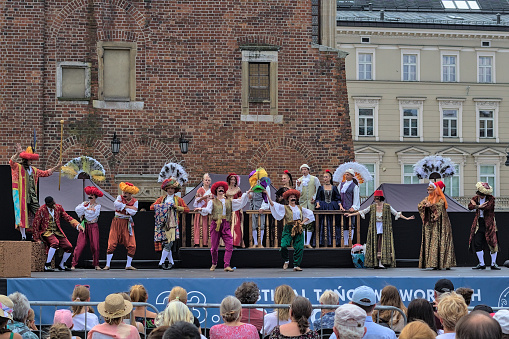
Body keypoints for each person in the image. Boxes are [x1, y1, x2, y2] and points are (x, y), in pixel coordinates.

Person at [347, 190, 414, 268]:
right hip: (374, 227)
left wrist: (407, 218)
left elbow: (396, 213)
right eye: (375, 198)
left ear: (380, 198)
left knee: (382, 243)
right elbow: (363, 211)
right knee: (375, 243)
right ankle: (374, 262)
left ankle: (381, 262)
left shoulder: (387, 206)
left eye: (377, 198)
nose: (375, 199)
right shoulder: (372, 207)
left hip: (384, 227)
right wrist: (351, 215)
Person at [195, 181, 250, 272]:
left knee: (229, 245)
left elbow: (240, 202)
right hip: (215, 224)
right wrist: (201, 209)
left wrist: (246, 194)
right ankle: (214, 263)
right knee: (214, 248)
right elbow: (208, 210)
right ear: (216, 191)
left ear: (224, 191)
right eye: (219, 189)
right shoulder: (212, 202)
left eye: (222, 189)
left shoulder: (229, 202)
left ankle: (227, 265)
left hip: (225, 224)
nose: (221, 190)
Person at [9, 142, 61, 240]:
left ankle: (35, 234)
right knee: (22, 215)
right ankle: (23, 236)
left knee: (38, 214)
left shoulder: (34, 170)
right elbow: (11, 162)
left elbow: (45, 173)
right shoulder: (18, 167)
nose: (31, 162)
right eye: (30, 160)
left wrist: (56, 167)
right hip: (21, 195)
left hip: (32, 196)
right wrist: (18, 153)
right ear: (25, 160)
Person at [266, 189, 315, 271]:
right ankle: (286, 260)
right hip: (289, 227)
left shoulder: (300, 208)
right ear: (288, 199)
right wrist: (267, 194)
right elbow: (273, 204)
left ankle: (296, 265)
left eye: (294, 197)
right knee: (283, 245)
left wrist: (302, 223)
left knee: (299, 247)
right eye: (291, 197)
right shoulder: (285, 207)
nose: (293, 199)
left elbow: (310, 213)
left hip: (298, 227)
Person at [150, 178, 190, 270]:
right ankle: (171, 262)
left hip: (173, 224)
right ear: (166, 189)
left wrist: (176, 207)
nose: (170, 190)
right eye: (169, 188)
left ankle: (161, 262)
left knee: (169, 243)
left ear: (175, 190)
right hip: (163, 224)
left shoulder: (178, 199)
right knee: (166, 244)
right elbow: (152, 207)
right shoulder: (162, 199)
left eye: (172, 188)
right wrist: (162, 206)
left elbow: (186, 209)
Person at [32, 196, 80, 272]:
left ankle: (62, 264)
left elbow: (67, 217)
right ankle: (47, 264)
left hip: (57, 232)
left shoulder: (58, 207)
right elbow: (36, 224)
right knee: (55, 243)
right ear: (47, 204)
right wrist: (36, 238)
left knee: (69, 247)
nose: (54, 205)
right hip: (47, 231)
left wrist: (77, 225)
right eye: (51, 204)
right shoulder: (41, 210)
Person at [418, 181, 456, 270]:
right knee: (432, 242)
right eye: (428, 188)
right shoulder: (427, 198)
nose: (428, 189)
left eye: (430, 188)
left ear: (435, 189)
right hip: (431, 225)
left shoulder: (441, 199)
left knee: (442, 240)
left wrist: (431, 206)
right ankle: (433, 263)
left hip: (441, 224)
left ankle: (445, 263)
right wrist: (425, 206)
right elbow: (420, 205)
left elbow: (439, 207)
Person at [104, 182, 139, 270]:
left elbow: (133, 212)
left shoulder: (135, 201)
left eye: (126, 193)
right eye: (123, 192)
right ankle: (107, 264)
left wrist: (123, 207)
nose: (124, 194)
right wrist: (127, 207)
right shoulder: (119, 197)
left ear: (130, 193)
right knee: (112, 242)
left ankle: (128, 265)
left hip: (127, 223)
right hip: (117, 222)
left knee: (132, 245)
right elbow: (116, 205)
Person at [468, 182, 499, 270]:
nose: (480, 196)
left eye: (482, 195)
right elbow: (470, 207)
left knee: (492, 242)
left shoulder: (491, 199)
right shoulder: (475, 198)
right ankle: (482, 263)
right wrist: (477, 206)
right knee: (477, 242)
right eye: (479, 195)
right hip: (479, 222)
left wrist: (476, 206)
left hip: (489, 223)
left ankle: (493, 263)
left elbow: (487, 207)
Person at [72, 186, 103, 270]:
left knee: (95, 246)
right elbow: (77, 210)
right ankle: (73, 264)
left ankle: (96, 264)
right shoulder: (85, 203)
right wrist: (87, 208)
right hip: (84, 226)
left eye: (92, 195)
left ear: (95, 197)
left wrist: (85, 210)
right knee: (80, 245)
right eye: (89, 194)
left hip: (93, 226)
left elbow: (91, 215)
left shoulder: (98, 206)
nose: (90, 196)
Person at [315, 170, 341, 247]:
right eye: (324, 177)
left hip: (332, 206)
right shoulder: (321, 188)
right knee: (323, 223)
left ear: (330, 178)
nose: (325, 178)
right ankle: (322, 242)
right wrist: (318, 204)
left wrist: (340, 206)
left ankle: (334, 241)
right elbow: (318, 198)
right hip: (323, 206)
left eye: (326, 177)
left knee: (332, 222)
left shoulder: (334, 188)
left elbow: (338, 198)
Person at [296, 164, 320, 248]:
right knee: (303, 222)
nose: (304, 171)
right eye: (302, 169)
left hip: (311, 203)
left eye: (305, 169)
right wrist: (299, 186)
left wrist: (314, 198)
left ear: (308, 170)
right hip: (302, 203)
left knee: (310, 222)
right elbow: (298, 193)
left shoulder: (314, 179)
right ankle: (303, 242)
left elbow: (318, 190)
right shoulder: (299, 180)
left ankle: (308, 242)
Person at [339, 168, 361, 246]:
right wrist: (340, 205)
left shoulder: (354, 186)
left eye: (348, 174)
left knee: (351, 225)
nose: (346, 176)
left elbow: (356, 198)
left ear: (352, 176)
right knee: (344, 225)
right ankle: (345, 242)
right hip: (343, 208)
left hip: (350, 208)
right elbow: (339, 196)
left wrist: (354, 207)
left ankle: (350, 241)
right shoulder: (341, 185)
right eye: (346, 174)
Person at [248, 173, 270, 248]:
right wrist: (250, 196)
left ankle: (260, 242)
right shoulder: (253, 185)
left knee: (262, 225)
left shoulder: (265, 186)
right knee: (254, 225)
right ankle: (255, 242)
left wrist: (263, 207)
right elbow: (250, 196)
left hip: (261, 207)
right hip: (253, 207)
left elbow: (266, 198)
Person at [193, 174, 212, 247]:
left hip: (207, 211)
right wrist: (203, 197)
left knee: (207, 227)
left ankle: (206, 242)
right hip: (200, 211)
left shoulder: (211, 191)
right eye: (206, 180)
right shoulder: (200, 190)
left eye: (208, 180)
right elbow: (196, 201)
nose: (207, 181)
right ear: (203, 181)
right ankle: (198, 242)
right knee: (200, 226)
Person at [226, 173, 244, 248]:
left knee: (235, 226)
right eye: (231, 179)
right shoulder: (225, 188)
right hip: (227, 209)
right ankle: (227, 243)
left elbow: (241, 198)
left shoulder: (238, 189)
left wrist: (238, 200)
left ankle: (235, 242)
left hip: (235, 209)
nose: (232, 181)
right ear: (229, 180)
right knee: (226, 226)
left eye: (234, 179)